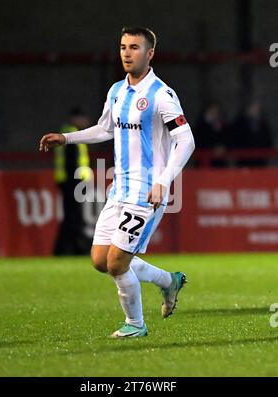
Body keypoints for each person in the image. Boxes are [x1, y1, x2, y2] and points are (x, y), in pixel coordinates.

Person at [39, 26, 195, 338]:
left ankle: (135, 325)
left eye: (135, 47)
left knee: (117, 263)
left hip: (147, 191)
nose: (127, 52)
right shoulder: (117, 91)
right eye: (123, 46)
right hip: (119, 189)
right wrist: (66, 138)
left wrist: (164, 181)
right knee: (100, 260)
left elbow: (187, 140)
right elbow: (105, 129)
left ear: (149, 53)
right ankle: (169, 281)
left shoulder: (161, 95)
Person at [53, 108, 92, 255]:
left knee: (71, 217)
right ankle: (74, 249)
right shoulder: (72, 136)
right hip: (73, 183)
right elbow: (72, 163)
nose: (85, 122)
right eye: (83, 118)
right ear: (75, 118)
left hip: (68, 182)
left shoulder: (66, 133)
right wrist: (77, 184)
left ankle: (69, 249)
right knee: (74, 217)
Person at [229, 100, 273, 167]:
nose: (256, 110)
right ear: (248, 109)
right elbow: (235, 138)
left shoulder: (263, 124)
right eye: (253, 108)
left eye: (257, 108)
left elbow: (268, 139)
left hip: (260, 159)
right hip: (244, 159)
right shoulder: (240, 122)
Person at [195, 101, 229, 167]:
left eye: (217, 110)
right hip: (204, 161)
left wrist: (222, 147)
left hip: (219, 162)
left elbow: (226, 137)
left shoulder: (221, 123)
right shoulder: (201, 124)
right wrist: (213, 149)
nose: (215, 112)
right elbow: (199, 140)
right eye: (213, 109)